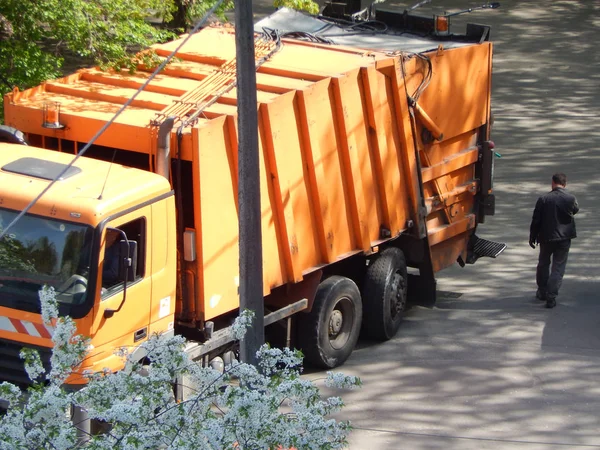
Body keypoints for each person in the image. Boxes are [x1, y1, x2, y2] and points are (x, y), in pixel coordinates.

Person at [529, 173, 579, 308]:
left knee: (543, 264)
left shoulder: (543, 199)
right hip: (564, 238)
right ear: (565, 184)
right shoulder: (570, 198)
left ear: (552, 183)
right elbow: (575, 210)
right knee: (558, 267)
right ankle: (551, 296)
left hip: (546, 237)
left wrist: (532, 236)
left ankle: (542, 291)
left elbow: (536, 220)